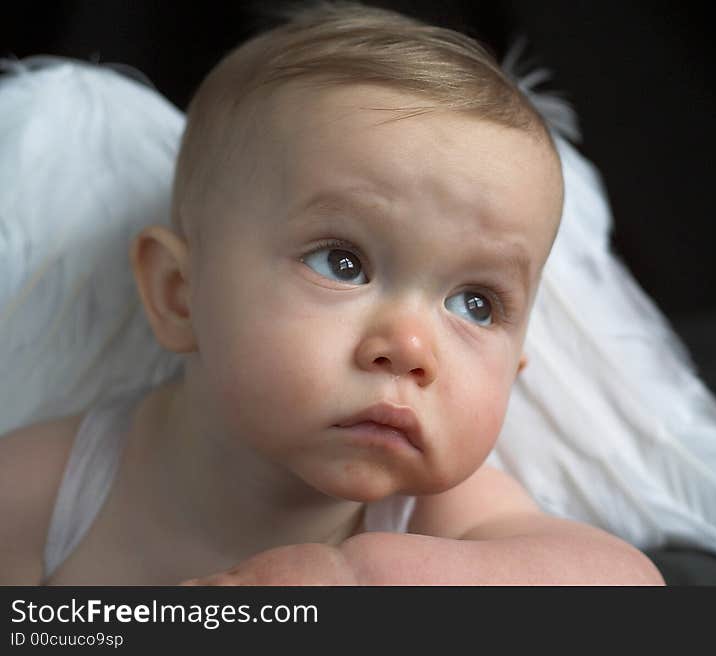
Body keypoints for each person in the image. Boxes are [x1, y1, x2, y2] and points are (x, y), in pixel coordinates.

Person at [0, 1, 664, 585]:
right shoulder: (57, 489)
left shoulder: (429, 521)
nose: (409, 347)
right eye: (342, 263)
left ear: (517, 369)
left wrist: (363, 580)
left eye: (475, 304)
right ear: (180, 294)